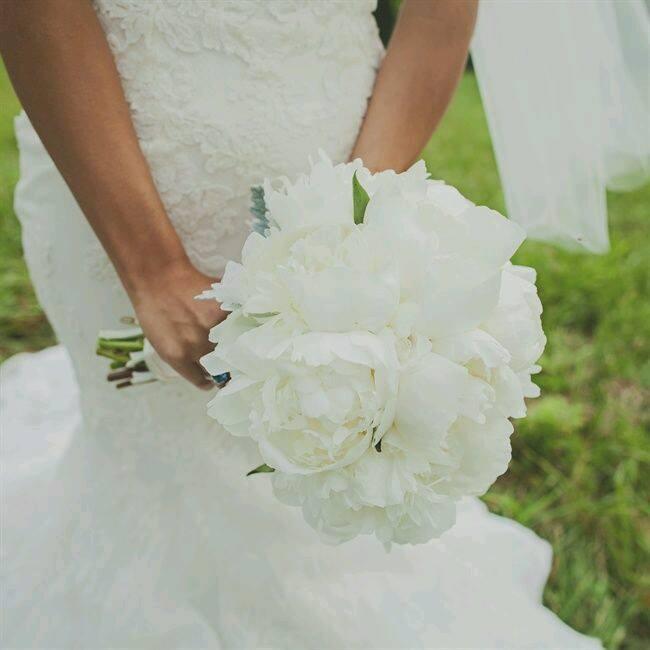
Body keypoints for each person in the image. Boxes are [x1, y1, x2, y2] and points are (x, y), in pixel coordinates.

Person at [0, 1, 602, 647]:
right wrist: (151, 269)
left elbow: (440, 14)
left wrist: (353, 230)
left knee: (315, 455)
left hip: (336, 148)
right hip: (103, 169)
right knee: (142, 435)